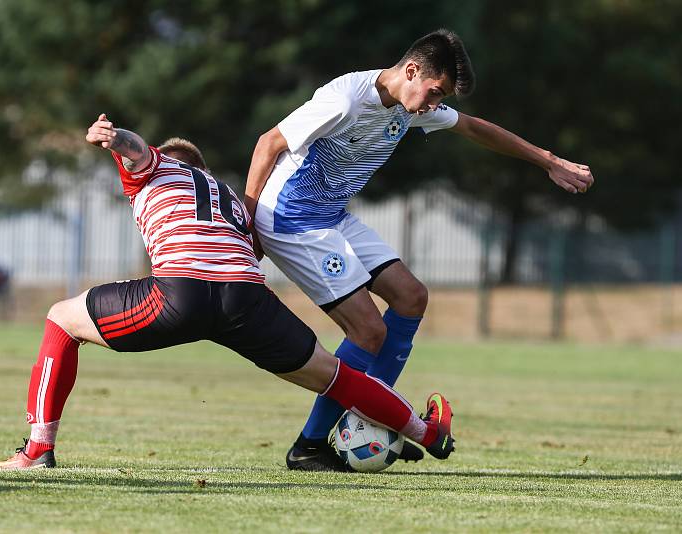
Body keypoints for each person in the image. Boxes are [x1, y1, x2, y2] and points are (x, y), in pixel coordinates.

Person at [0, 114, 456, 469]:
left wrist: (115, 139)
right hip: (246, 300)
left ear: (170, 160)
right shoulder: (227, 195)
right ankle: (426, 431)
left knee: (60, 317)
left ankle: (37, 449)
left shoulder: (157, 170)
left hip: (180, 294)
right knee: (336, 375)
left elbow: (137, 149)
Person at [244, 28, 594, 471]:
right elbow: (268, 143)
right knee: (368, 331)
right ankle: (311, 445)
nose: (435, 104)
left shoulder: (410, 107)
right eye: (435, 92)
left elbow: (472, 127)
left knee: (412, 297)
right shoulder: (345, 100)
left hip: (331, 215)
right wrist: (248, 226)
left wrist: (549, 161)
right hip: (291, 220)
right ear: (412, 71)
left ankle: (370, 419)